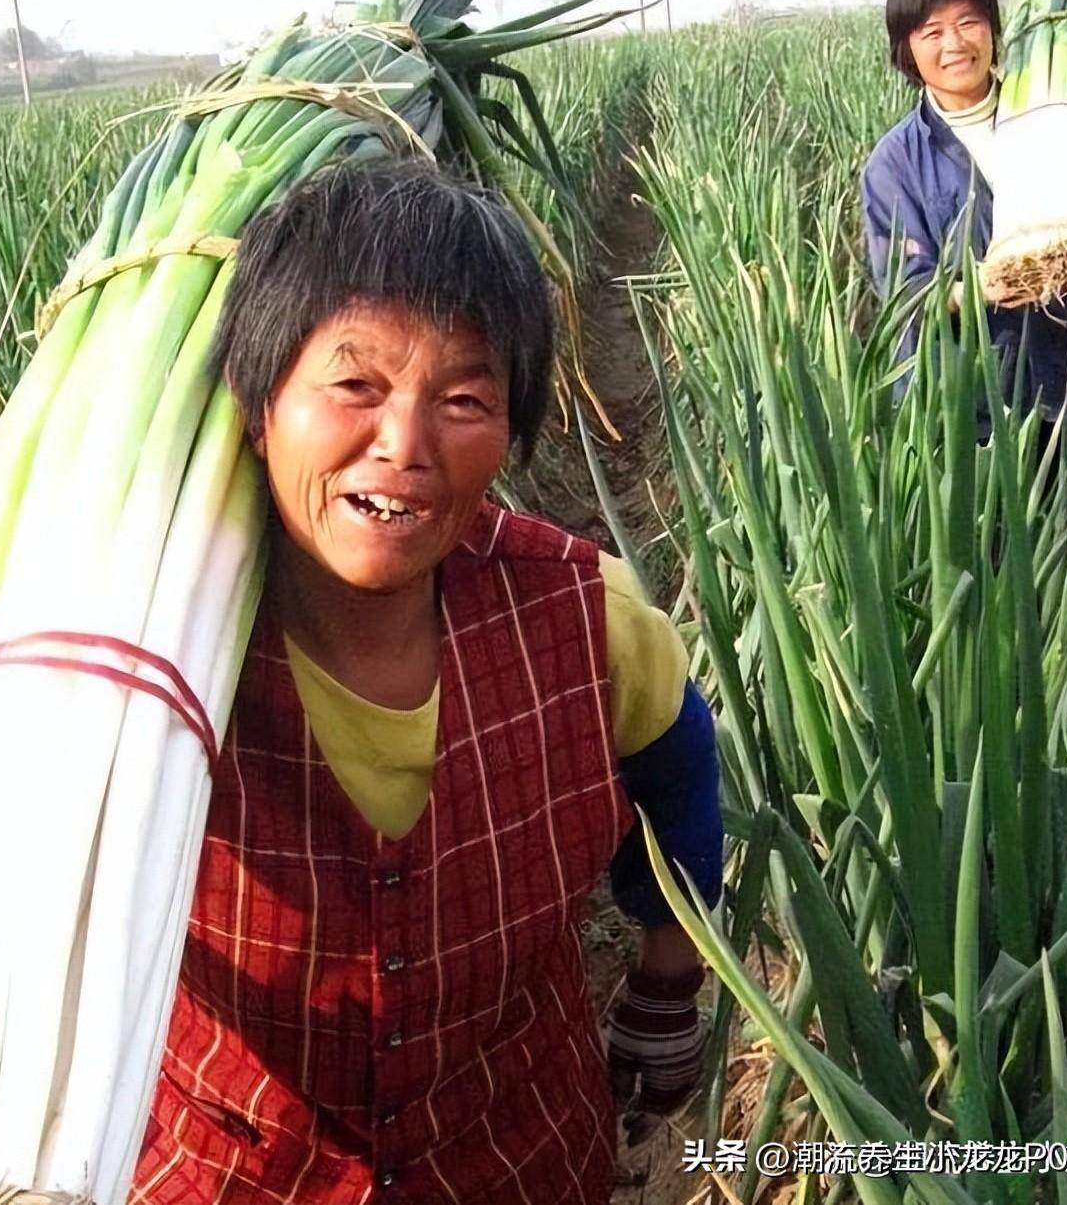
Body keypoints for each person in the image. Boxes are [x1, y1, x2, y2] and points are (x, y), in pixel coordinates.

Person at [126, 160, 724, 1205]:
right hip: (226, 1170)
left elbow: (679, 768)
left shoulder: (585, 615)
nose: (402, 445)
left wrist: (668, 983)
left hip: (517, 1153)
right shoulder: (142, 638)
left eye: (461, 397)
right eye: (353, 385)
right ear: (258, 402)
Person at [861, 0, 1067, 508]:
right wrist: (982, 288)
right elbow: (905, 290)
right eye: (932, 31)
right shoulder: (895, 162)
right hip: (963, 397)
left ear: (995, 31)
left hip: (1062, 374)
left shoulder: (1051, 110)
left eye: (969, 23)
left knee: (1053, 542)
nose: (954, 44)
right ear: (907, 51)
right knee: (985, 555)